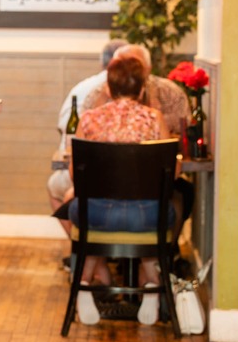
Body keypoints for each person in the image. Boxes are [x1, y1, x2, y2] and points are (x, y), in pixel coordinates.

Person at [66, 55, 175, 327]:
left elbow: (73, 175)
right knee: (168, 209)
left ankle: (83, 283)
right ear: (141, 90)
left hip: (97, 215)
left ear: (107, 88)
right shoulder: (154, 118)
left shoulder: (89, 119)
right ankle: (152, 284)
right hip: (147, 217)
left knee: (81, 209)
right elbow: (169, 175)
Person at [48, 39, 129, 216]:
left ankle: (82, 241)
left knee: (60, 187)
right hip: (143, 199)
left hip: (93, 187)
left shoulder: (86, 110)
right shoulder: (153, 117)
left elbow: (65, 129)